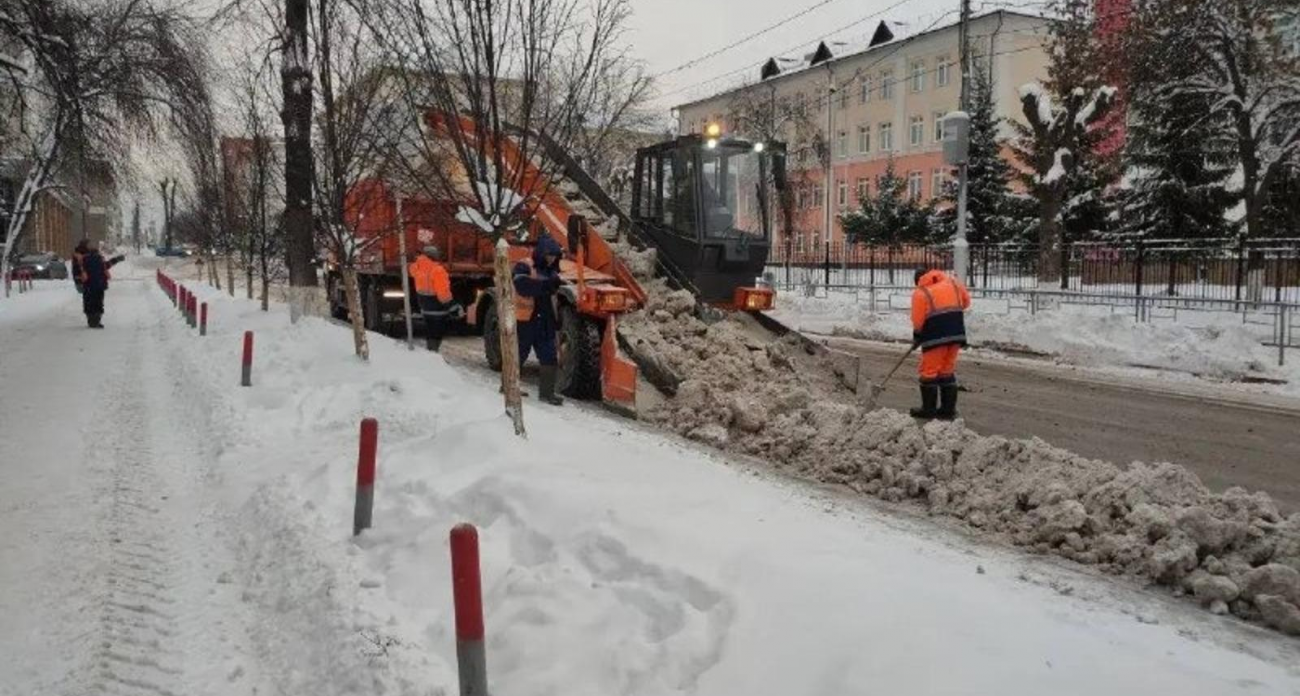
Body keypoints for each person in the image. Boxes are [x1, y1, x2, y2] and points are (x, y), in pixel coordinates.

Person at [910, 267, 971, 420]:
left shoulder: (920, 292)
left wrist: (917, 335)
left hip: (935, 336)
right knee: (946, 370)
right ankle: (947, 410)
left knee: (929, 371)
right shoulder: (953, 283)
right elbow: (966, 302)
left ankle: (928, 410)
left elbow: (918, 321)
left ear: (918, 280)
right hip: (956, 333)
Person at [513, 234, 565, 406]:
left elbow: (553, 299)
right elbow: (522, 287)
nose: (551, 259)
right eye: (549, 255)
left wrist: (556, 319)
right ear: (541, 253)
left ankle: (547, 394)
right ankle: (509, 387)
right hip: (526, 320)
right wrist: (545, 286)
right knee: (519, 354)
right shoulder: (524, 265)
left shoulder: (553, 272)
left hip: (545, 321)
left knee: (549, 356)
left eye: (554, 256)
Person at [408, 245, 461, 352]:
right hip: (437, 307)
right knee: (437, 331)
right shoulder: (438, 270)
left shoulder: (417, 268)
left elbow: (411, 268)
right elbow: (443, 294)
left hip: (424, 306)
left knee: (429, 330)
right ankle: (433, 351)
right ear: (434, 256)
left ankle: (430, 349)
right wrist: (453, 307)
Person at [79, 240, 124, 328]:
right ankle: (96, 321)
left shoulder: (84, 259)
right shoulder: (100, 259)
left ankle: (91, 321)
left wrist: (78, 282)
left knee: (88, 302)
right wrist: (117, 259)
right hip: (99, 285)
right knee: (98, 303)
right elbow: (107, 265)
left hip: (88, 286)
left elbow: (78, 270)